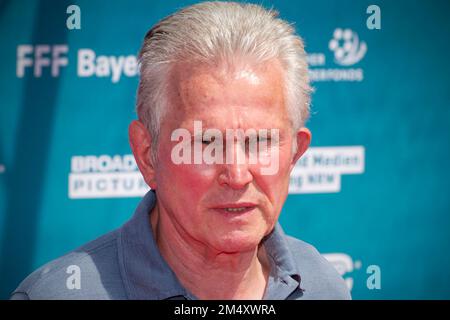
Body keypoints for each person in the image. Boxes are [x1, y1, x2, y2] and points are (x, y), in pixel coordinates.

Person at [11, 1, 350, 300]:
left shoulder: (324, 287)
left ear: (294, 153)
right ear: (148, 154)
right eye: (204, 143)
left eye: (260, 142)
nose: (236, 174)